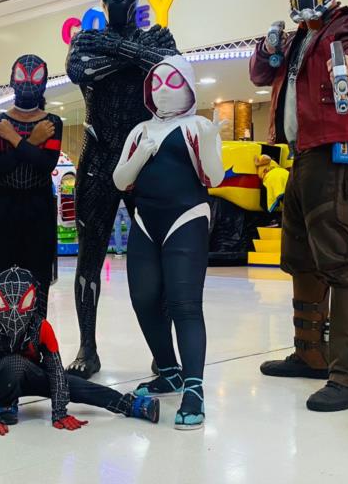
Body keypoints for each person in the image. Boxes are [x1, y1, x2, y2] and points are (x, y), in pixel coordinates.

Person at [249, 0, 348, 412]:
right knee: (302, 259)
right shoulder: (294, 40)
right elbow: (258, 74)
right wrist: (268, 47)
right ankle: (311, 354)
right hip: (300, 156)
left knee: (340, 261)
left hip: (336, 156)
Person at [65, 0, 179, 379]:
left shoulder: (153, 39)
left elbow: (169, 69)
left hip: (142, 153)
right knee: (89, 256)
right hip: (97, 153)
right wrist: (132, 53)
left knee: (155, 255)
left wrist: (115, 52)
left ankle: (162, 351)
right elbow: (81, 69)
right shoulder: (87, 41)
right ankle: (87, 348)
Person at [113, 55, 223, 430]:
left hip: (187, 218)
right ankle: (169, 370)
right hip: (145, 219)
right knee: (143, 298)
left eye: (172, 82)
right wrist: (142, 154)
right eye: (156, 83)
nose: (162, 90)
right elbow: (119, 180)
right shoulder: (140, 131)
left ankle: (194, 388)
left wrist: (211, 138)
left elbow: (214, 176)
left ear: (190, 87)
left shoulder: (198, 126)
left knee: (184, 304)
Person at [0, 267, 160, 436]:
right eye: (6, 303)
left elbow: (56, 371)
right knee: (14, 363)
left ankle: (128, 404)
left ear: (32, 300)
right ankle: (6, 403)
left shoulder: (42, 328)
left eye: (22, 302)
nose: (15, 313)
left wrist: (59, 411)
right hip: (1, 380)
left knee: (76, 385)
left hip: (32, 374)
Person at [0, 55, 61, 318]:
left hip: (39, 209)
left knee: (38, 279)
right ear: (12, 79)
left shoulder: (51, 123)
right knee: (5, 278)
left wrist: (15, 139)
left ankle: (37, 344)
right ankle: (5, 344)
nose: (28, 82)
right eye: (23, 76)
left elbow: (45, 165)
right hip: (7, 208)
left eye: (35, 76)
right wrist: (32, 142)